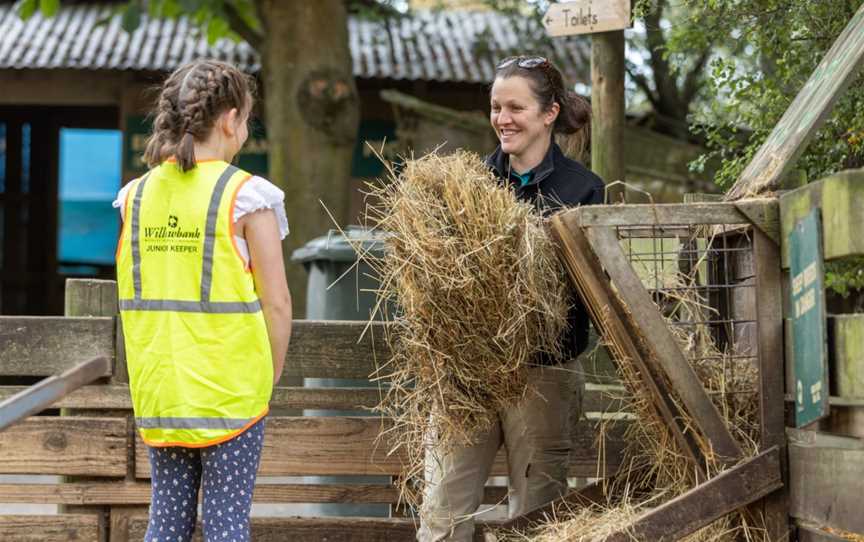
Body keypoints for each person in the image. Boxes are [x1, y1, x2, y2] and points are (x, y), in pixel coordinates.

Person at [417, 55, 605, 542]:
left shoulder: (583, 190)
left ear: (548, 114)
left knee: (537, 514)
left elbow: (591, 289)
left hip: (544, 370)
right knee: (444, 506)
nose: (503, 118)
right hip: (468, 371)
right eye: (496, 107)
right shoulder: (467, 185)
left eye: (515, 107)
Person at [114, 59, 292, 542]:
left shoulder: (135, 195)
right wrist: (266, 378)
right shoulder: (247, 196)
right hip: (231, 392)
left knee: (166, 521)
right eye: (248, 120)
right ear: (231, 119)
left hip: (161, 392)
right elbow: (276, 304)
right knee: (226, 524)